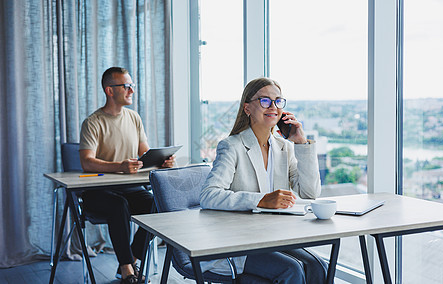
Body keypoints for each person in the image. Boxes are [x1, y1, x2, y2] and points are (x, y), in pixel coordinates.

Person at [199, 77, 327, 283]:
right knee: (292, 270)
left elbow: (310, 193)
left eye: (278, 101)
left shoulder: (284, 147)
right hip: (239, 241)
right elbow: (208, 195)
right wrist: (260, 200)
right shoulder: (232, 146)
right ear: (247, 108)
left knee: (318, 266)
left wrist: (302, 143)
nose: (273, 107)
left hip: (273, 237)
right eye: (265, 101)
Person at [79, 67, 175, 284]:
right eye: (126, 86)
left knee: (158, 204)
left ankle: (131, 258)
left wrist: (162, 161)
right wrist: (119, 167)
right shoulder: (93, 122)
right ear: (109, 91)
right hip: (98, 191)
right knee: (118, 205)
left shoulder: (134, 118)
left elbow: (145, 154)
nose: (132, 90)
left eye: (132, 85)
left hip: (130, 188)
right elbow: (86, 162)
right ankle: (126, 270)